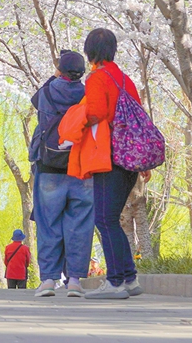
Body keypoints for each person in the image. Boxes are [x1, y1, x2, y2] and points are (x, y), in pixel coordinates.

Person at [79, 28, 143, 300]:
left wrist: (75, 120)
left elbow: (96, 113)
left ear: (89, 51)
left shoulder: (96, 78)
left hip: (110, 156)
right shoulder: (125, 79)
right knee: (110, 219)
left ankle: (115, 282)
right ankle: (129, 278)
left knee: (104, 219)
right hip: (130, 158)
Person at [30, 50, 94, 298]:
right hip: (81, 167)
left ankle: (48, 280)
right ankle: (75, 281)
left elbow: (35, 100)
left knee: (48, 224)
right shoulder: (87, 94)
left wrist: (52, 76)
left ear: (60, 69)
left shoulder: (47, 92)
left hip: (50, 167)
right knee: (80, 224)